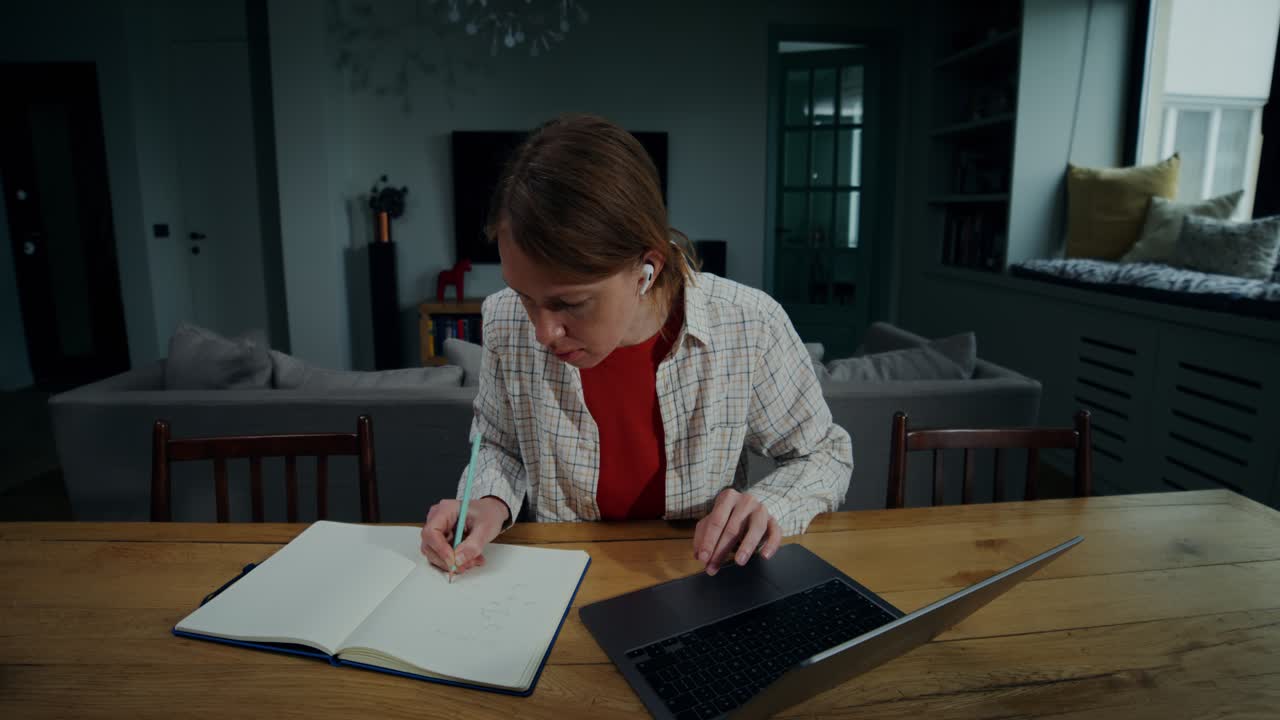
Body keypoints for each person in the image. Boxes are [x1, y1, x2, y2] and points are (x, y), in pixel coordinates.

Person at [420, 113, 852, 578]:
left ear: (646, 267)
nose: (543, 332)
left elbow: (824, 454)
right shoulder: (504, 320)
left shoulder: (751, 325)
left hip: (696, 579)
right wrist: (486, 501)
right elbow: (499, 445)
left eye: (570, 303)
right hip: (557, 581)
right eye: (525, 295)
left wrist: (768, 504)